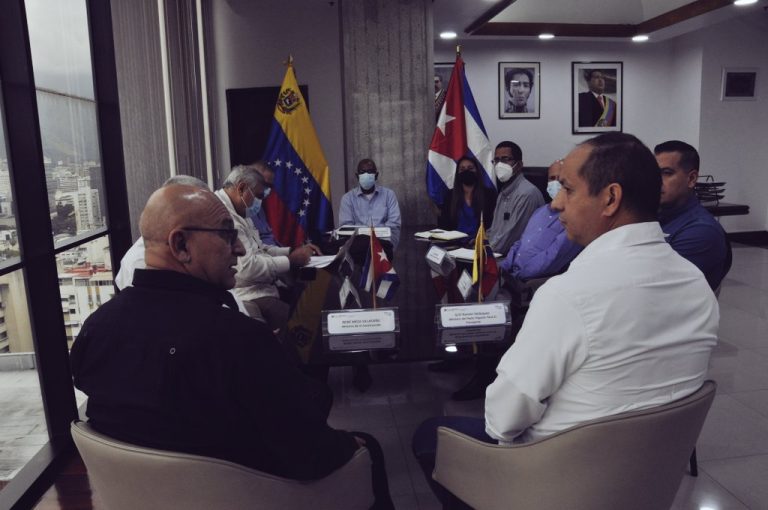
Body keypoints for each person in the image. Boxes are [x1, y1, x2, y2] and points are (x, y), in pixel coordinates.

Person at [412, 133, 719, 507]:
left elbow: (502, 420)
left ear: (610, 198)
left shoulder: (568, 295)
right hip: (647, 483)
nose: (556, 203)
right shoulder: (697, 286)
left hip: (554, 483)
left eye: (568, 190)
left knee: (430, 435)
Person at [70, 184, 393, 508]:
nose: (238, 248)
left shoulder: (94, 329)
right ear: (181, 245)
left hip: (136, 497)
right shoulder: (239, 340)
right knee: (369, 447)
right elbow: (311, 454)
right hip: (252, 494)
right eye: (227, 234)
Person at [215, 165, 319, 331]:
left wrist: (291, 252)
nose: (260, 202)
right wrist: (291, 261)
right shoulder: (225, 216)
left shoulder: (240, 210)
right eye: (258, 196)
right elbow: (247, 269)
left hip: (262, 288)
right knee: (303, 327)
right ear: (241, 188)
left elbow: (260, 248)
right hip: (249, 294)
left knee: (308, 302)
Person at [654, 140, 731, 290]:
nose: (656, 181)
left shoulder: (701, 231)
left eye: (667, 173)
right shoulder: (656, 215)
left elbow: (656, 286)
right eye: (654, 173)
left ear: (691, 179)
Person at [499, 160, 582, 280]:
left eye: (561, 180)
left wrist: (517, 276)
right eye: (551, 178)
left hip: (537, 281)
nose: (555, 183)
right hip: (512, 274)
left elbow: (553, 258)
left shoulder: (575, 218)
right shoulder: (539, 212)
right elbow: (520, 242)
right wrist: (503, 268)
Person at [486, 141, 545, 254]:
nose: (500, 165)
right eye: (496, 160)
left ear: (519, 165)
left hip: (515, 256)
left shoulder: (527, 194)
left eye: (505, 159)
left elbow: (510, 239)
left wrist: (484, 250)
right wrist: (479, 242)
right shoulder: (503, 192)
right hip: (496, 252)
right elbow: (494, 230)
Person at [339, 158, 402, 249]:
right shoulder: (347, 199)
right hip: (357, 248)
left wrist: (383, 246)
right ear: (357, 176)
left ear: (376, 175)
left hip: (383, 247)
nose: (366, 175)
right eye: (362, 172)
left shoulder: (389, 195)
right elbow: (346, 229)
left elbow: (394, 226)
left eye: (370, 172)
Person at [437, 156, 497, 239]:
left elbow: (493, 224)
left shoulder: (489, 195)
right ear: (458, 173)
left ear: (477, 171)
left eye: (470, 168)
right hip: (454, 243)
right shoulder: (450, 195)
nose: (466, 171)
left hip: (479, 243)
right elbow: (444, 224)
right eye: (462, 169)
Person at [246, 161, 280, 247]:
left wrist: (291, 251)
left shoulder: (257, 207)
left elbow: (267, 237)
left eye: (270, 185)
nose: (266, 189)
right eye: (264, 184)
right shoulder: (238, 210)